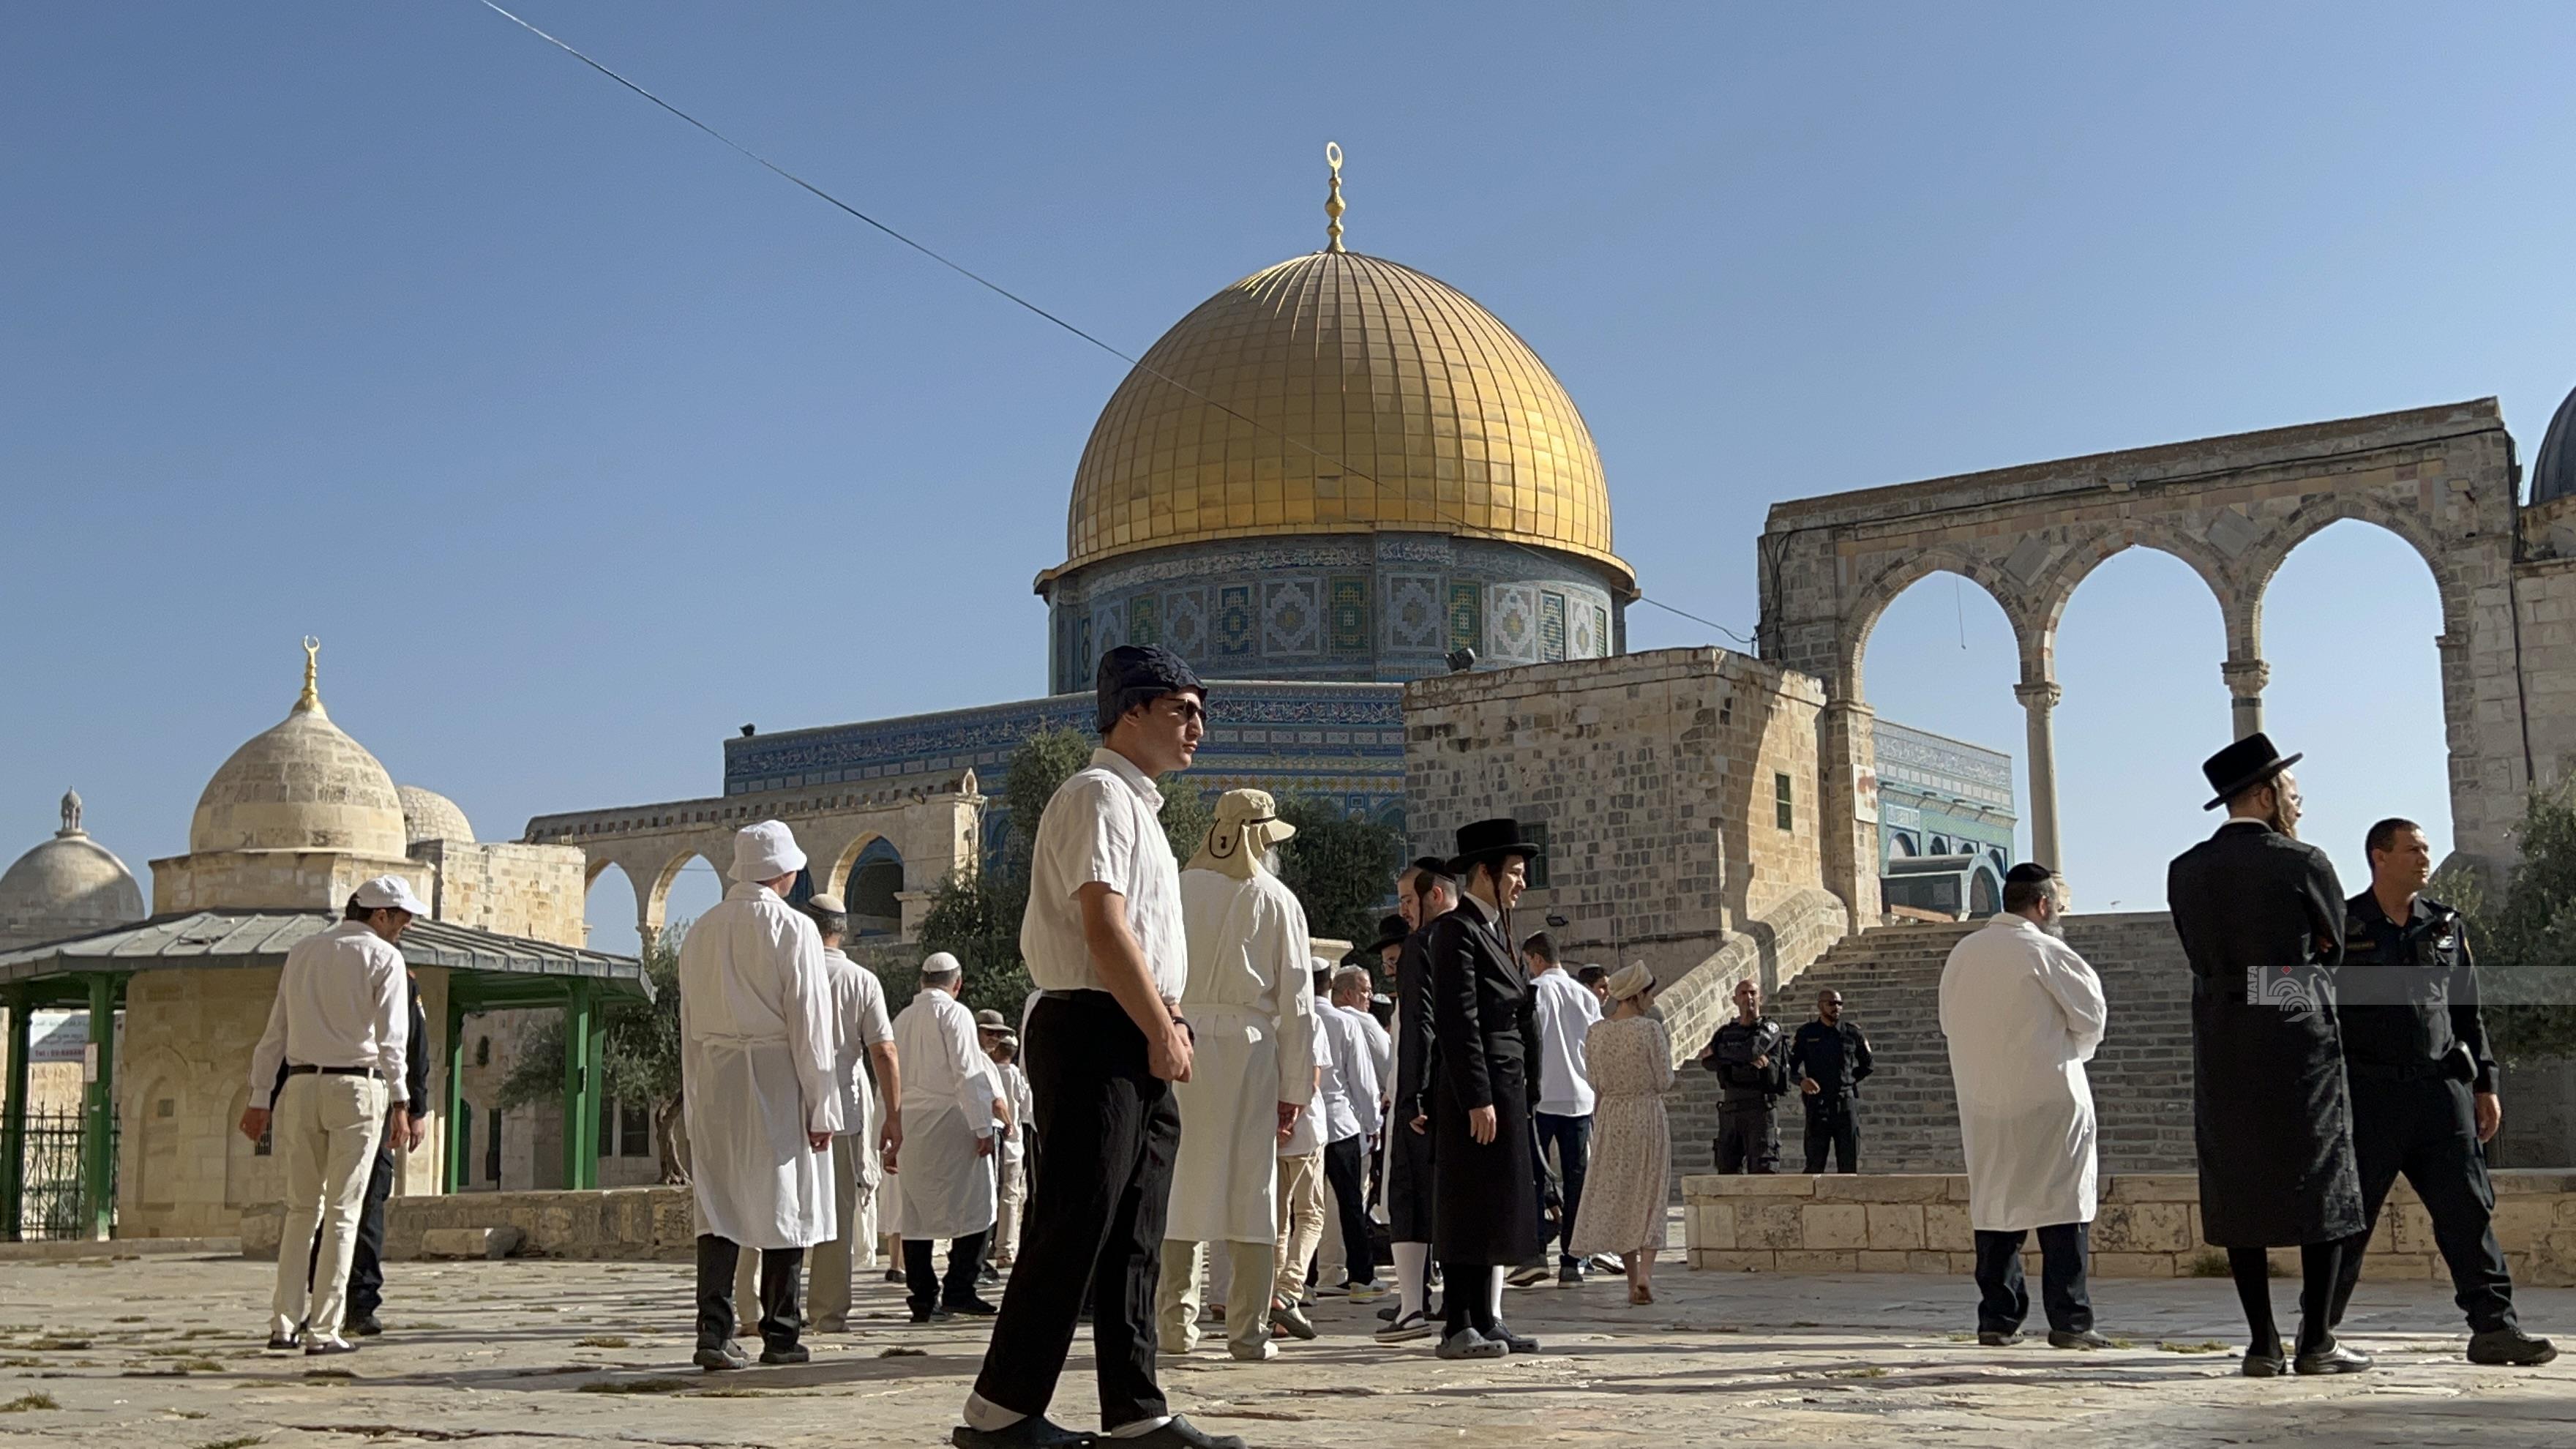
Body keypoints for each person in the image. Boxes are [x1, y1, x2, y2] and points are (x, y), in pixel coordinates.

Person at [962, 645, 1238, 1449]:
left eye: (1201, 710)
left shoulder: (1139, 810)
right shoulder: (1095, 796)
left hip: (1138, 1024)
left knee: (1134, 1229)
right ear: (1130, 713)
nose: (1198, 726)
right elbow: (1103, 926)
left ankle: (1135, 1408)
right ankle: (999, 1412)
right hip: (1094, 1024)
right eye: (1182, 709)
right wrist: (1158, 1026)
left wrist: (1165, 1021)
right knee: (1076, 1220)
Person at [2167, 733, 2368, 1377]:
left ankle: (2261, 1342)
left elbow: (2199, 953)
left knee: (2238, 1182)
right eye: (2289, 790)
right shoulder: (2300, 861)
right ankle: (2316, 1342)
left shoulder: (2186, 869)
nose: (2296, 803)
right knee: (2323, 1182)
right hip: (2296, 1039)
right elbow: (2333, 949)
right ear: (2263, 793)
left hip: (2223, 1039)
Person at [2326, 818, 2554, 1366]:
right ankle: (2319, 1332)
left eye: (2426, 849)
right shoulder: (2341, 925)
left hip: (2440, 1094)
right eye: (2414, 849)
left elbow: (2467, 1012)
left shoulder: (2445, 925)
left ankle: (2495, 1328)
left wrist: (2485, 1085)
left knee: (2468, 1212)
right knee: (2348, 1222)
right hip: (2371, 1096)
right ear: (2379, 857)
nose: (2425, 858)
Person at [1157, 789, 1319, 1363]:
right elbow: (1298, 1002)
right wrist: (1297, 1088)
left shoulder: (1174, 888)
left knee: (1179, 1187)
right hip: (1250, 1052)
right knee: (1253, 1187)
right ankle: (1248, 1332)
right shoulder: (1277, 901)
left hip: (1182, 1042)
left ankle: (1173, 1326)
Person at [678, 821, 842, 1371]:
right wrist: (822, 1104)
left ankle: (714, 1330)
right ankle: (780, 1333)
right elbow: (811, 1026)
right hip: (777, 1073)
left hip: (718, 1074)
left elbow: (689, 1026)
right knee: (786, 1200)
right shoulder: (793, 930)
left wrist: (695, 1097)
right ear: (785, 872)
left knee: (719, 1205)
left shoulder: (700, 931)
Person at [242, 875, 422, 1356]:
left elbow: (275, 1030)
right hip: (356, 1088)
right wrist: (402, 1103)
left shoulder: (302, 951)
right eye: (402, 917)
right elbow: (391, 1041)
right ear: (379, 915)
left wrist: (261, 1095)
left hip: (299, 1087)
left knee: (301, 1210)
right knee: (344, 1212)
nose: (405, 927)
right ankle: (323, 1328)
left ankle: (282, 1325)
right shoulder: (384, 958)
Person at [1939, 863, 2113, 1351]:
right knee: (2064, 1207)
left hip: (1984, 1101)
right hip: (2051, 1097)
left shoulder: (1963, 954)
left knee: (1996, 1207)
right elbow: (2092, 1019)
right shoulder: (2048, 951)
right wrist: (2063, 1051)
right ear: (2042, 905)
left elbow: (1950, 1023)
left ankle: (1997, 1317)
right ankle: (2070, 1321)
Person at [1425, 818, 1546, 1361]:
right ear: (1484, 873)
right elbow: (1459, 1018)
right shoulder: (1457, 931)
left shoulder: (1500, 932)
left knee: (1496, 1202)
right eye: (1514, 873)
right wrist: (1478, 1095)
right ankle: (1458, 1322)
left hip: (1508, 1084)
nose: (1521, 883)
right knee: (1468, 1200)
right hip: (1477, 1089)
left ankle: (1485, 1317)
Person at [285, 969, 427, 1340]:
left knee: (366, 1202)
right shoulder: (333, 970)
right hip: (347, 1093)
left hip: (375, 1096)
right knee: (321, 1205)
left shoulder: (398, 975)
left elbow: (413, 1043)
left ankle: (360, 1302)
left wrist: (415, 1107)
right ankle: (321, 1307)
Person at [796, 894, 900, 1335]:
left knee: (771, 1211)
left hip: (789, 1108)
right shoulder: (862, 980)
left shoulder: (791, 973)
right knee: (836, 1217)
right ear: (843, 929)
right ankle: (827, 1312)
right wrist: (893, 1115)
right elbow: (884, 1051)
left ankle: (755, 1310)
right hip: (841, 1113)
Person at [893, 954, 1002, 1323]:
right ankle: (960, 1287)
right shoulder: (956, 1015)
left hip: (911, 1121)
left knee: (916, 1213)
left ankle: (923, 1298)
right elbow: (967, 1072)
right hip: (951, 1120)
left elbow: (889, 1074)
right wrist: (983, 1127)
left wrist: (889, 1128)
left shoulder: (902, 1019)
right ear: (957, 984)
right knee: (977, 1204)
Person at [1378, 858, 1458, 1344]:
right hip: (1451, 1090)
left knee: (1411, 1196)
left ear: (1434, 895)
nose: (1404, 910)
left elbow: (1420, 1033)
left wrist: (1412, 1095)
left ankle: (1414, 1305)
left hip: (1424, 1094)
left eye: (1408, 899)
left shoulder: (1424, 948)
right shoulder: (1474, 940)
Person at [1567, 963, 1672, 1306]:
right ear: (1638, 994)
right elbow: (1663, 1079)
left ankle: (1631, 1281)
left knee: (1623, 1192)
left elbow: (1593, 1078)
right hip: (1645, 1111)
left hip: (1611, 1116)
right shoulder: (1649, 1029)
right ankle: (1645, 1274)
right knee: (1651, 1192)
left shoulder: (1597, 1032)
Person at [1520, 932, 1599, 1287]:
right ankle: (1573, 1257)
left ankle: (1536, 1251)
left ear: (1536, 959)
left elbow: (1530, 1041)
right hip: (1580, 1097)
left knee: (1535, 1176)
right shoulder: (1585, 996)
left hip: (1543, 1096)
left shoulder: (1537, 992)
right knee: (1576, 1179)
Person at [1314, 965, 1383, 1302]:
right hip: (1341, 1124)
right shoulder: (1346, 1023)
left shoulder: (1291, 1019)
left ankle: (1303, 1280)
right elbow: (1363, 1080)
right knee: (1350, 1204)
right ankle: (1361, 1277)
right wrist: (1373, 1125)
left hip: (1304, 1125)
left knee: (1303, 1208)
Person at [1270, 990, 1333, 1344]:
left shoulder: (1267, 1021)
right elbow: (1311, 1081)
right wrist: (1292, 1119)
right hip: (1305, 1130)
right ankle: (1290, 1288)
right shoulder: (1311, 1022)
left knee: (1279, 1221)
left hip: (1272, 1132)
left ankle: (1276, 1299)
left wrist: (1278, 1123)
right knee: (1311, 1214)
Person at [1699, 978, 1786, 1174]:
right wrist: (1741, 1056)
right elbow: (1707, 1060)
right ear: (1735, 1000)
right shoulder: (1725, 1033)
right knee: (1727, 1171)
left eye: (1753, 993)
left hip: (1760, 1109)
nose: (1749, 998)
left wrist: (1724, 1053)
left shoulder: (1770, 1028)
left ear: (1760, 998)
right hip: (1731, 1110)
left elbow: (1754, 1049)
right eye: (1743, 994)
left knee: (1763, 1171)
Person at [1789, 989, 1871, 1172]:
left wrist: (1849, 1079)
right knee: (1815, 1161)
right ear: (1820, 1006)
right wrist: (1802, 1081)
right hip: (1819, 1103)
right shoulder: (1807, 1033)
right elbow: (1789, 1067)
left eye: (1839, 1004)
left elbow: (1868, 1064)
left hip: (1845, 1102)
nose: (1837, 1008)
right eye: (1831, 1003)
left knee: (1848, 1161)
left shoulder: (1852, 1033)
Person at [988, 1032, 1035, 1274]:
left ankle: (984, 1244)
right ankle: (1005, 1249)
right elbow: (1027, 1109)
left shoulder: (986, 1071)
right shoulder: (1016, 1075)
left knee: (987, 1195)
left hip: (988, 1141)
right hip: (1013, 1144)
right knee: (1010, 1196)